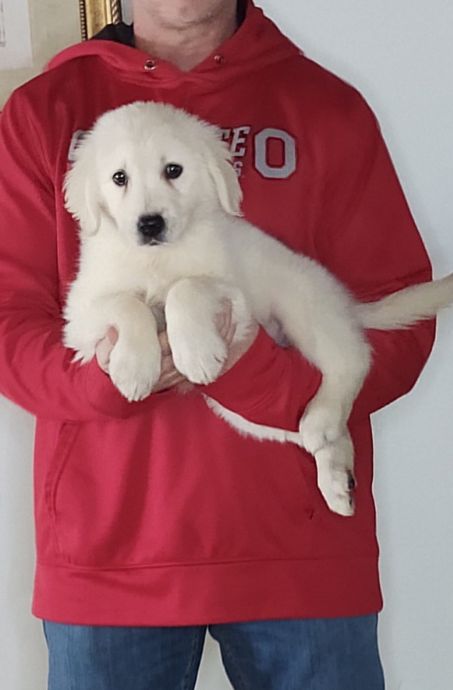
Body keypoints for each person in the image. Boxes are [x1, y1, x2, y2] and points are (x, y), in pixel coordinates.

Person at [0, 1, 435, 688]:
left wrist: (255, 377)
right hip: (109, 557)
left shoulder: (324, 107)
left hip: (299, 557)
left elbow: (398, 326)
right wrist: (104, 379)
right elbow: (7, 320)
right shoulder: (43, 113)